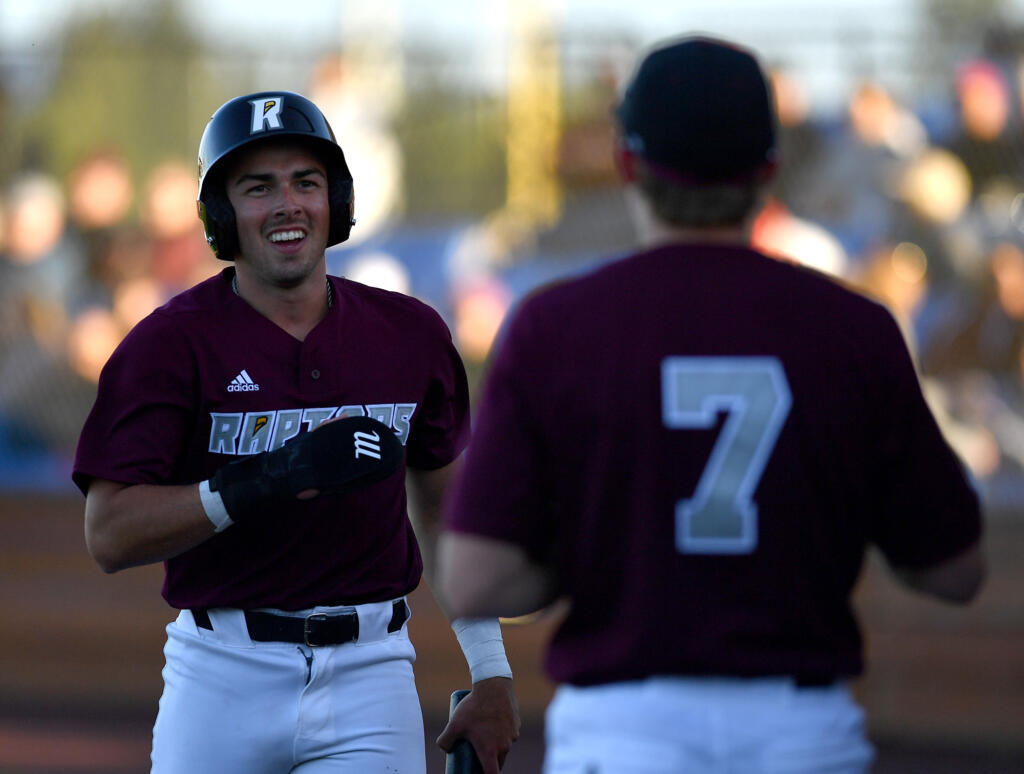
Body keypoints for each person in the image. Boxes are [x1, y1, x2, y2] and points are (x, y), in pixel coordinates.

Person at [438, 36, 985, 774]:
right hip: (802, 729)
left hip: (624, 727)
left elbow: (477, 579)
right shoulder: (854, 327)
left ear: (628, 164)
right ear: (769, 168)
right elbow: (954, 568)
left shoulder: (555, 325)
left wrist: (595, 547)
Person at [73, 91, 519, 774]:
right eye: (258, 187)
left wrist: (490, 670)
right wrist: (263, 480)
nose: (287, 204)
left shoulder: (412, 335)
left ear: (334, 201)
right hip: (222, 670)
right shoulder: (167, 345)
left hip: (372, 669)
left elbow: (445, 511)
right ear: (221, 214)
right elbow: (108, 533)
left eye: (305, 182)